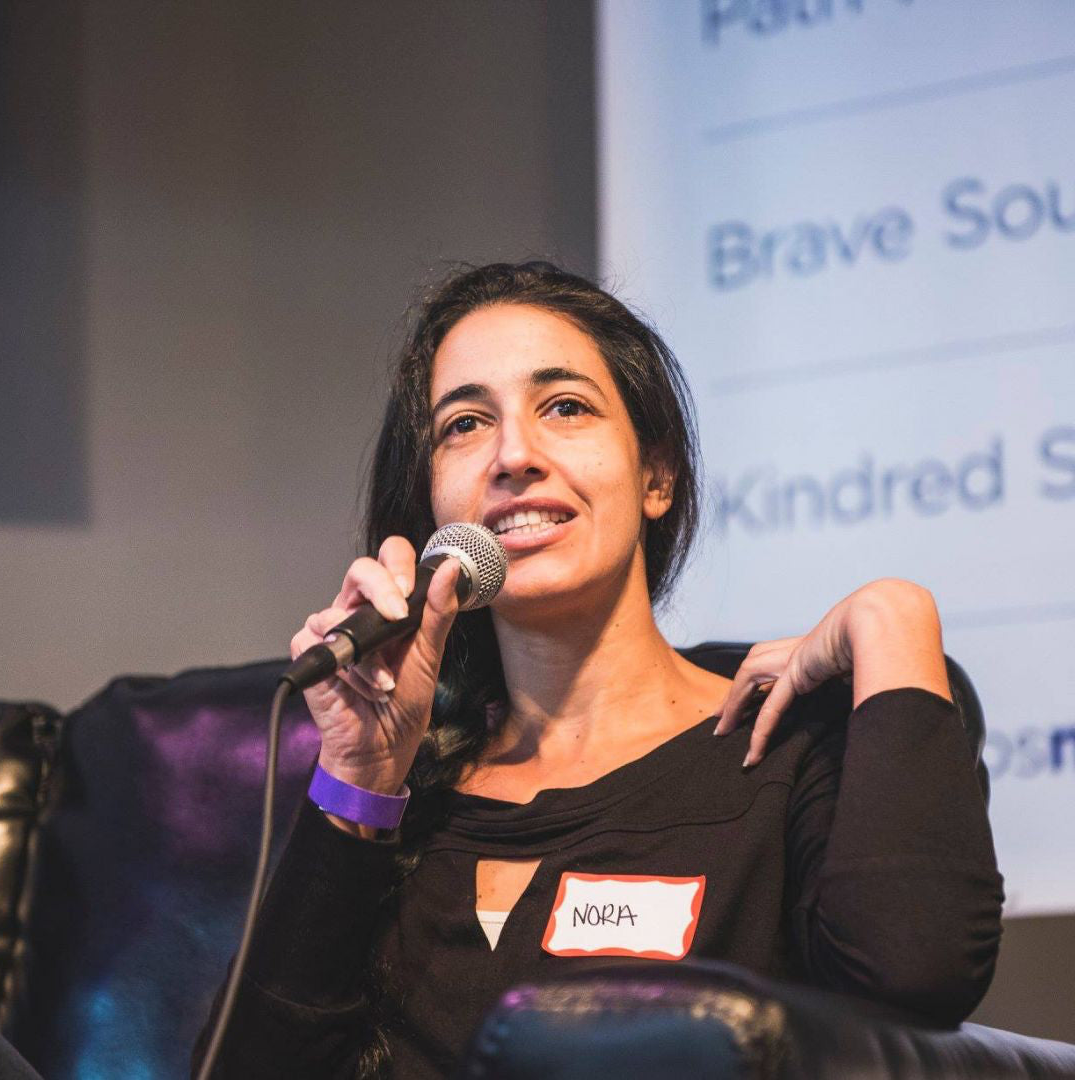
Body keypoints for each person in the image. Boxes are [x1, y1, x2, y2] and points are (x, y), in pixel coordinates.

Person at [194, 261, 1003, 1078]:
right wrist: (359, 780)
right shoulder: (400, 798)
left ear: (658, 477)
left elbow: (918, 982)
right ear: (432, 502)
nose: (514, 455)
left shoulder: (787, 751)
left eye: (566, 407)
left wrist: (895, 616)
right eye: (465, 425)